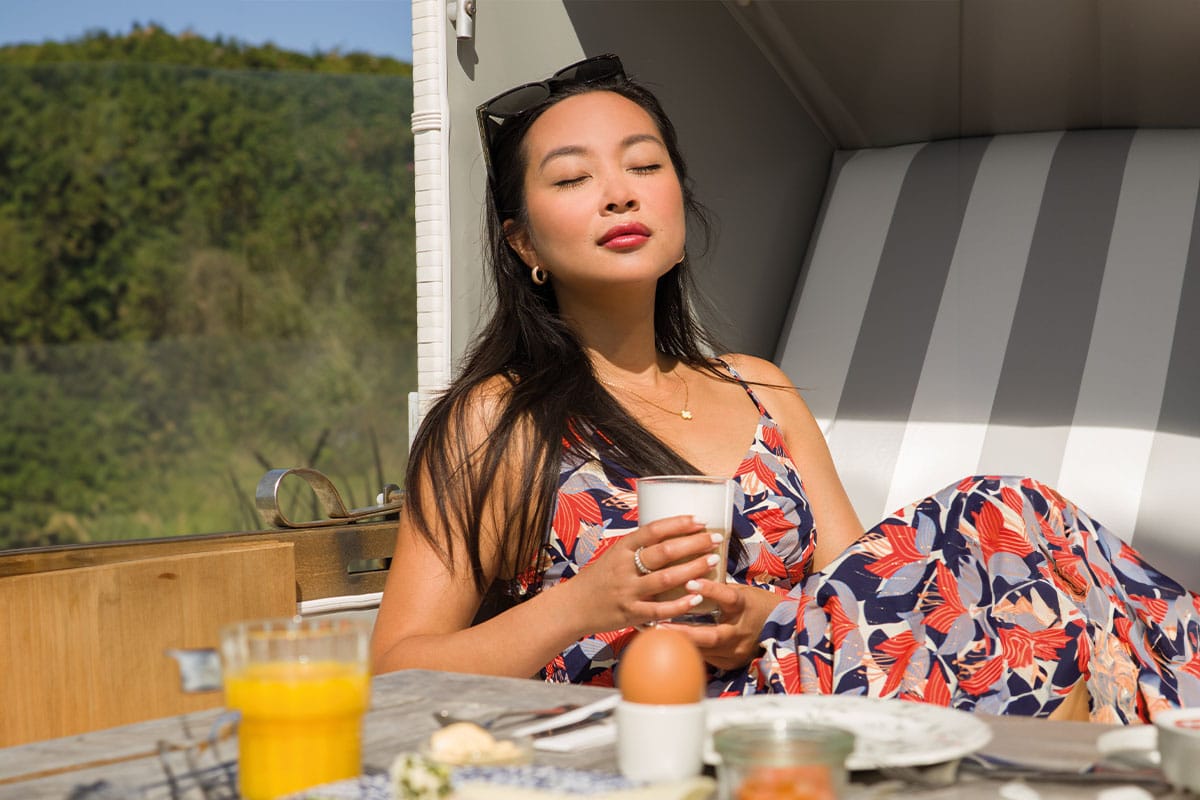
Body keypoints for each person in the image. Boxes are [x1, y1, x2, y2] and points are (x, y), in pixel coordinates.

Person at [371, 54, 1200, 724]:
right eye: (571, 179)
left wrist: (758, 620)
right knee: (996, 514)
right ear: (522, 243)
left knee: (1013, 528)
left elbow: (870, 598)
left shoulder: (760, 390)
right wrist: (585, 603)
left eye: (644, 165)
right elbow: (395, 668)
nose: (620, 193)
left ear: (678, 207)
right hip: (652, 729)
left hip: (822, 702)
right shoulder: (499, 419)